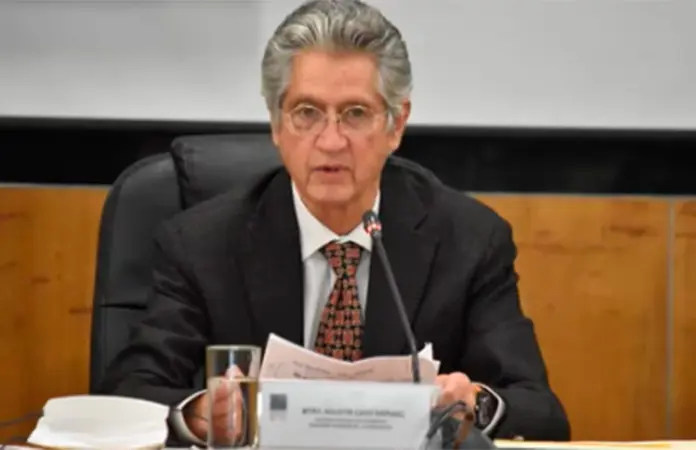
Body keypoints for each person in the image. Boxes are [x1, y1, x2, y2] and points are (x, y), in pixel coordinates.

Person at [99, 0, 570, 445]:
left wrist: (474, 404)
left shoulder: (468, 240)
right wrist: (199, 413)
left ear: (396, 124)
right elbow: (128, 393)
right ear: (276, 124)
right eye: (307, 113)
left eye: (355, 114)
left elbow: (541, 411)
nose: (330, 141)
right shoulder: (201, 244)